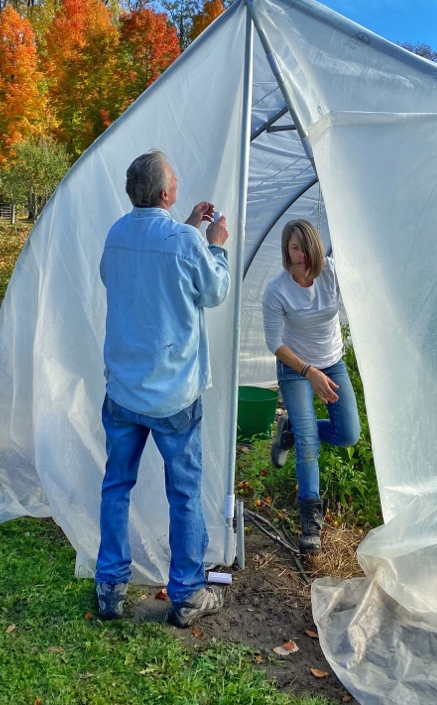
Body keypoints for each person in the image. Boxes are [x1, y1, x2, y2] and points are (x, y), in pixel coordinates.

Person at [94, 149, 231, 626]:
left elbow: (120, 277)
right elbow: (214, 291)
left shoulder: (117, 234)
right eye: (174, 181)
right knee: (185, 495)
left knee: (116, 485)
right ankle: (189, 593)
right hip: (173, 394)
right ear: (166, 193)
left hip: (125, 390)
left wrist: (189, 227)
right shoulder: (186, 243)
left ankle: (109, 587)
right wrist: (214, 243)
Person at [262, 219, 360, 552]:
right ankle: (310, 519)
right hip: (295, 367)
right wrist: (309, 372)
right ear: (285, 251)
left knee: (348, 434)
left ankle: (289, 429)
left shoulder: (332, 273)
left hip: (332, 361)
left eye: (304, 247)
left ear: (315, 248)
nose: (300, 255)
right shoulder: (277, 290)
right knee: (308, 442)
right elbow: (275, 343)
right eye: (293, 248)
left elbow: (365, 290)